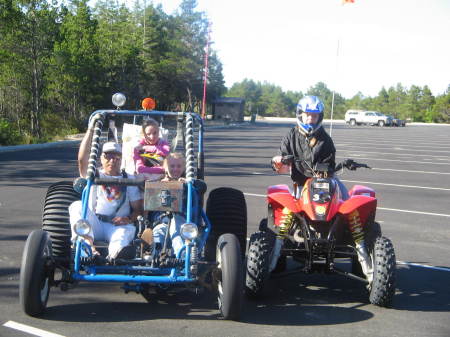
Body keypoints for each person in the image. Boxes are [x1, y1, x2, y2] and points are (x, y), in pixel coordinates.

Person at [69, 118, 143, 260]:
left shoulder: (130, 179)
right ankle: (88, 249)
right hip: (94, 222)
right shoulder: (94, 174)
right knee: (77, 206)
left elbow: (138, 209)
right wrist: (91, 129)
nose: (111, 160)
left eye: (116, 157)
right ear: (101, 158)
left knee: (123, 235)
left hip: (117, 225)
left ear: (121, 160)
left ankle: (115, 256)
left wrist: (128, 218)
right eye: (107, 156)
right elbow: (82, 160)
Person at [151, 153, 186, 259]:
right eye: (172, 166)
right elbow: (151, 206)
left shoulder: (188, 185)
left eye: (179, 166)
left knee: (175, 229)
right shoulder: (158, 184)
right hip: (163, 222)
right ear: (165, 168)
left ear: (183, 168)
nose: (175, 169)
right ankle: (155, 258)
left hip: (181, 223)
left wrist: (185, 186)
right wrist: (162, 187)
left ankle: (182, 257)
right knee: (157, 233)